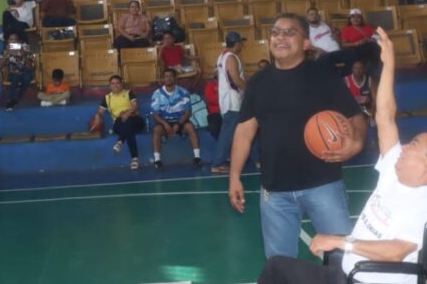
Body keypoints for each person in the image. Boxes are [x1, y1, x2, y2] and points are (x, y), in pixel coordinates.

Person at [239, 28, 427, 284]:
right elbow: (385, 116)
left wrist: (341, 242)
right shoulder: (394, 172)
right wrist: (389, 61)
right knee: (276, 268)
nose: (404, 146)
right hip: (351, 276)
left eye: (414, 146)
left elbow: (397, 250)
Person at [229, 14, 368, 258]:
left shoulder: (324, 76)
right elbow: (244, 130)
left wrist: (355, 144)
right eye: (275, 32)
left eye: (289, 32)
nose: (280, 36)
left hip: (323, 185)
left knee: (341, 258)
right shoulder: (259, 82)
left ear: (306, 43)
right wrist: (234, 177)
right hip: (275, 191)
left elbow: (356, 117)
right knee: (280, 266)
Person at [212, 32, 257, 173]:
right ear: (236, 43)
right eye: (241, 43)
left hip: (229, 100)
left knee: (243, 129)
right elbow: (236, 80)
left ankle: (250, 157)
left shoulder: (222, 56)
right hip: (234, 101)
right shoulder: (231, 57)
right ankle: (218, 163)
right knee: (227, 133)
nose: (242, 45)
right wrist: (250, 91)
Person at [150, 68, 202, 168]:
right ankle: (157, 160)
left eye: (170, 76)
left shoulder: (183, 92)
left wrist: (178, 124)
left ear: (175, 78)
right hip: (164, 122)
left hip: (180, 121)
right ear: (163, 79)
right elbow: (155, 114)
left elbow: (188, 112)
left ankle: (197, 158)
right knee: (157, 130)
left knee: (190, 127)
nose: (168, 78)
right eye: (166, 76)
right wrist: (165, 124)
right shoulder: (157, 93)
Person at [94, 75, 146, 169]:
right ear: (110, 85)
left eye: (117, 83)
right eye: (113, 84)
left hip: (135, 121)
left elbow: (134, 106)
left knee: (128, 121)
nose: (115, 85)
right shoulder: (107, 98)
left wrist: (127, 113)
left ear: (121, 84)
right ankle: (134, 158)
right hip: (119, 124)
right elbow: (100, 112)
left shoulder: (128, 93)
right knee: (126, 127)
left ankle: (121, 141)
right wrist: (97, 117)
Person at [0, 33, 35, 110]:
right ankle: (12, 100)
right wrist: (6, 54)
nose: (14, 41)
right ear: (8, 41)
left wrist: (23, 54)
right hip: (13, 72)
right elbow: (0, 66)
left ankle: (15, 100)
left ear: (18, 41)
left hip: (26, 71)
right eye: (11, 39)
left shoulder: (25, 49)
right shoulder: (5, 51)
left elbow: (31, 66)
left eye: (15, 39)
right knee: (15, 78)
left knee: (27, 78)